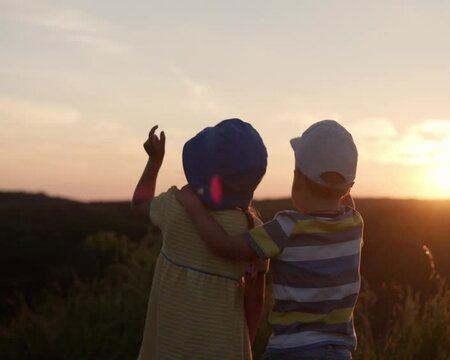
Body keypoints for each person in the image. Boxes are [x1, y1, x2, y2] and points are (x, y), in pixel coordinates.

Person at [177, 120, 362, 360]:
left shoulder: (285, 229)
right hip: (338, 353)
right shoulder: (355, 225)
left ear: (297, 177)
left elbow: (222, 245)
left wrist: (192, 205)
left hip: (292, 350)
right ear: (348, 188)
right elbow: (346, 202)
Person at [132, 119, 268, 360]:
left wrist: (154, 162)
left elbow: (140, 204)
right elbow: (255, 300)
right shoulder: (255, 233)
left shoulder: (175, 207)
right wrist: (246, 344)